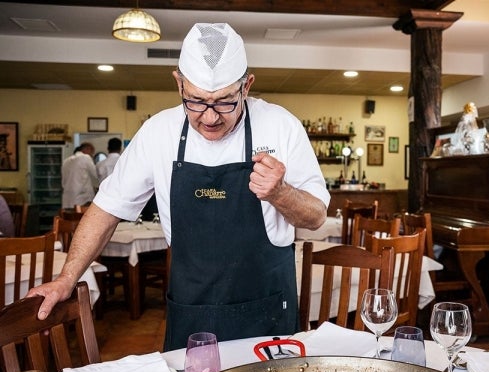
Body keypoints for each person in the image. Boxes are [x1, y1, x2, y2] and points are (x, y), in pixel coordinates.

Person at [28, 23, 329, 350]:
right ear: (179, 83)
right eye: (196, 101)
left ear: (247, 86)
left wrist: (280, 193)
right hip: (193, 310)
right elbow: (106, 209)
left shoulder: (281, 125)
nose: (210, 118)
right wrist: (66, 278)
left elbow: (316, 216)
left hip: (266, 308)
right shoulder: (159, 132)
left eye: (226, 102)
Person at [61, 142, 98, 208]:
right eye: (92, 152)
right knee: (81, 217)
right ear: (87, 149)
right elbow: (96, 174)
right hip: (81, 198)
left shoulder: (66, 161)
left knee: (69, 217)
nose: (92, 155)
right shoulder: (85, 157)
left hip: (67, 197)